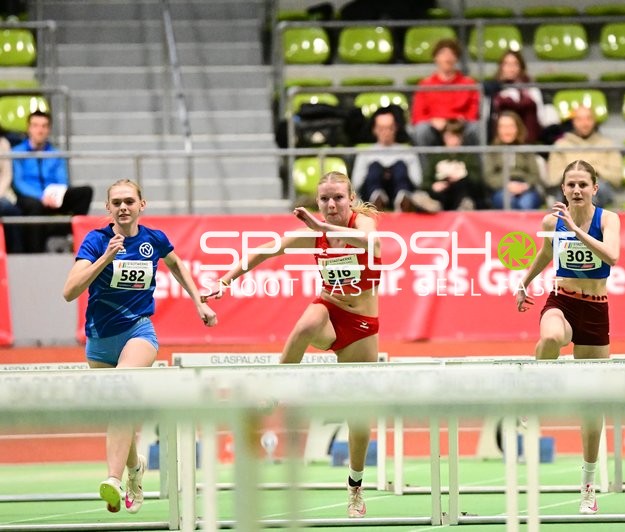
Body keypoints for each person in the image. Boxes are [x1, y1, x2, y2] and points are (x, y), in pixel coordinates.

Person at [210, 171, 381, 519]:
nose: (331, 205)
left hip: (362, 326)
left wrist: (322, 228)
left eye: (337, 198)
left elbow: (371, 245)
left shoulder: (361, 224)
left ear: (350, 199)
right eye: (324, 200)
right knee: (307, 322)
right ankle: (275, 389)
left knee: (359, 417)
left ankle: (355, 486)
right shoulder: (316, 236)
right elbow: (267, 250)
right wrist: (226, 279)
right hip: (330, 313)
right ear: (317, 202)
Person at [62, 179, 217, 514]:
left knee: (121, 394)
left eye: (129, 201)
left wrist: (198, 303)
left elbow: (176, 265)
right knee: (120, 412)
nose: (123, 207)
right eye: (116, 202)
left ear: (141, 205)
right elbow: (69, 291)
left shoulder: (153, 240)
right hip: (100, 341)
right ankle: (135, 469)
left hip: (139, 332)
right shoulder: (96, 241)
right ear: (108, 209)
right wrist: (105, 258)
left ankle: (113, 480)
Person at [514, 160, 620, 515]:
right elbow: (545, 254)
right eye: (570, 184)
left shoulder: (608, 220)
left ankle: (589, 485)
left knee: (591, 406)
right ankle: (533, 397)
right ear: (562, 189)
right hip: (562, 301)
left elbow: (612, 257)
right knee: (550, 338)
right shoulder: (550, 222)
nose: (576, 190)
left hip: (596, 310)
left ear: (594, 188)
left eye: (582, 184)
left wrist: (577, 230)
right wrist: (523, 283)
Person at [12, 110, 93, 252]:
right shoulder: (16, 152)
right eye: (36, 125)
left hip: (54, 196)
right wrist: (41, 196)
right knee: (33, 205)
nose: (40, 130)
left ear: (48, 129)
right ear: (28, 128)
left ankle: (76, 238)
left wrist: (54, 195)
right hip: (31, 198)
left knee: (85, 192)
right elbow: (19, 183)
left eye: (44, 126)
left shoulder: (56, 154)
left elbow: (62, 180)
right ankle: (35, 252)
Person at [350, 107, 439, 213]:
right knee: (375, 167)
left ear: (395, 128)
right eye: (381, 128)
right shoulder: (365, 153)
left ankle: (403, 200)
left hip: (401, 190)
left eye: (389, 128)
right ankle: (376, 200)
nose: (386, 132)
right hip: (370, 194)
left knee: (400, 166)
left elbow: (417, 182)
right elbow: (356, 184)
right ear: (374, 129)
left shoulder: (408, 152)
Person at [545, 106, 623, 208]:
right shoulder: (561, 145)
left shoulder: (607, 144)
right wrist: (575, 173)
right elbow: (553, 178)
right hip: (569, 189)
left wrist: (595, 171)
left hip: (599, 189)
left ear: (594, 121)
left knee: (594, 189)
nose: (585, 123)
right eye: (580, 119)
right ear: (573, 122)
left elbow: (617, 178)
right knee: (573, 189)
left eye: (588, 118)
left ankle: (583, 220)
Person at [410, 38, 480, 147]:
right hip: (434, 127)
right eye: (443, 53)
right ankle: (424, 165)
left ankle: (475, 164)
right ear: (436, 58)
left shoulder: (468, 83)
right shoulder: (425, 84)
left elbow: (473, 112)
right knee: (421, 130)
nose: (447, 58)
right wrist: (432, 121)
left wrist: (458, 123)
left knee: (475, 128)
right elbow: (417, 115)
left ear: (456, 58)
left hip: (460, 126)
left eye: (451, 54)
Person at [483, 50, 560, 145]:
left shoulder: (531, 89)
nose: (511, 68)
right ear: (501, 67)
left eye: (515, 64)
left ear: (521, 67)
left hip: (529, 140)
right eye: (507, 64)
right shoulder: (492, 90)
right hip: (499, 140)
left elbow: (541, 117)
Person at [484, 111, 547, 210]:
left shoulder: (526, 150)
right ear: (497, 130)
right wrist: (507, 185)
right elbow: (489, 176)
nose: (507, 131)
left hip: (526, 188)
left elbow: (535, 174)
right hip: (501, 188)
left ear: (518, 128)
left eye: (510, 126)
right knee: (507, 201)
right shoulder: (492, 151)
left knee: (527, 203)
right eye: (503, 127)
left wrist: (524, 186)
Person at [422, 119, 483, 211]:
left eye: (456, 136)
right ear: (443, 137)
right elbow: (425, 181)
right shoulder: (436, 157)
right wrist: (433, 186)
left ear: (462, 138)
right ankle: (431, 205)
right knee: (430, 194)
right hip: (440, 195)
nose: (453, 141)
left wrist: (462, 176)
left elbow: (478, 181)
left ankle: (464, 207)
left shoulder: (469, 156)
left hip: (461, 194)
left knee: (462, 187)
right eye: (449, 136)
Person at [0, 136, 23, 253]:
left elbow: (7, 175)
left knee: (8, 208)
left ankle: (16, 252)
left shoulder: (3, 143)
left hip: (2, 193)